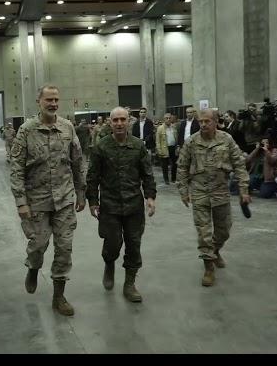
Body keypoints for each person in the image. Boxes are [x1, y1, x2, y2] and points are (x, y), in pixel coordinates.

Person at [10, 84, 86, 316]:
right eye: (48, 100)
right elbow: (16, 168)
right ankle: (33, 267)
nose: (53, 104)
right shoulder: (26, 130)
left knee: (64, 248)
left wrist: (81, 192)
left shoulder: (67, 128)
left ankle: (59, 296)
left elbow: (77, 162)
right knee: (38, 246)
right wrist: (21, 202)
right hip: (37, 202)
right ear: (39, 102)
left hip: (63, 199)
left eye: (56, 100)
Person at [87, 106, 156, 302]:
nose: (119, 123)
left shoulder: (138, 145)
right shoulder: (101, 147)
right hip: (110, 206)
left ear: (128, 122)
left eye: (122, 120)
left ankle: (129, 283)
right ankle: (109, 264)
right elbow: (92, 176)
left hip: (134, 205)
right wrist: (93, 201)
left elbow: (147, 174)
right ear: (110, 122)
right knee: (112, 244)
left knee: (134, 244)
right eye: (115, 120)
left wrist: (150, 197)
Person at [176, 109, 250, 287]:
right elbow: (182, 166)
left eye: (207, 121)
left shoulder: (227, 139)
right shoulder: (192, 141)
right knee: (204, 232)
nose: (203, 124)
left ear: (216, 121)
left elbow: (239, 164)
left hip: (220, 191)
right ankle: (208, 267)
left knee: (224, 230)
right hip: (200, 191)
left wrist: (243, 189)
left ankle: (215, 250)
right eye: (201, 121)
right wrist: (183, 190)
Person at [155, 113, 179, 185]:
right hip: (164, 148)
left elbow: (176, 137)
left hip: (173, 148)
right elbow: (157, 141)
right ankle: (166, 179)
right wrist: (159, 150)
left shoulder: (174, 127)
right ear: (164, 119)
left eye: (169, 118)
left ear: (171, 119)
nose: (168, 119)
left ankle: (173, 178)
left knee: (174, 164)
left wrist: (177, 147)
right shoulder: (160, 128)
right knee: (164, 165)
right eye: (166, 118)